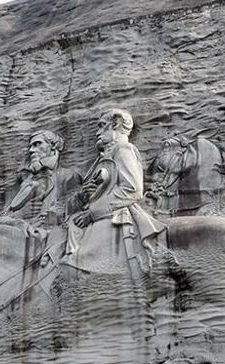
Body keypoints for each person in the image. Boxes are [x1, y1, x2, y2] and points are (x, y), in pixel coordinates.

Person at [63, 109, 165, 274]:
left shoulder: (123, 148)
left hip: (113, 217)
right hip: (91, 218)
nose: (97, 132)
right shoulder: (103, 157)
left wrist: (92, 213)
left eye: (102, 126)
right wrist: (83, 195)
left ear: (116, 124)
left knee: (74, 266)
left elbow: (133, 189)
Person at [4, 130, 80, 226]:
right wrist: (22, 212)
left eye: (37, 144)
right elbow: (6, 214)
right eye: (31, 146)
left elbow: (72, 209)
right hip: (24, 229)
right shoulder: (26, 181)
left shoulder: (68, 176)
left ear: (52, 146)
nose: (31, 150)